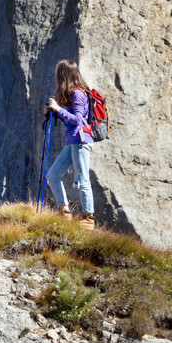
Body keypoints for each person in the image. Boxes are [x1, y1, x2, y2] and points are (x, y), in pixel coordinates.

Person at [46, 60, 95, 230]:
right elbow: (69, 120)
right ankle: (64, 211)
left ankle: (88, 218)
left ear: (64, 75)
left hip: (80, 141)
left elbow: (78, 120)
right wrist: (55, 112)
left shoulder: (78, 94)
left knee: (82, 179)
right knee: (52, 175)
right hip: (73, 142)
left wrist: (59, 109)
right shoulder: (73, 95)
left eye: (59, 75)